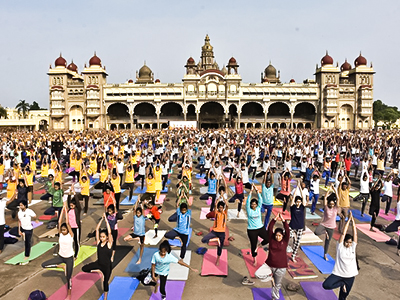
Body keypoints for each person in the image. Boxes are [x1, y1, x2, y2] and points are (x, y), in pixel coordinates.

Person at [323, 211, 358, 300]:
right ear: (344, 242)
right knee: (326, 285)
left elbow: (355, 234)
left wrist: (353, 222)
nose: (349, 244)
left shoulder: (353, 248)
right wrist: (348, 220)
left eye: (350, 242)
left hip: (350, 276)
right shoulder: (340, 248)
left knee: (343, 297)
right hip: (338, 274)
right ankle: (342, 284)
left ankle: (344, 285)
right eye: (347, 242)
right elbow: (343, 234)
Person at [42, 205, 74, 300]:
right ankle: (61, 266)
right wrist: (62, 211)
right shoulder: (60, 234)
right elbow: (59, 222)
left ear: (67, 230)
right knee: (44, 265)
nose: (63, 231)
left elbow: (67, 222)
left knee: (68, 277)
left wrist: (65, 211)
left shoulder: (70, 235)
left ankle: (69, 294)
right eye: (62, 230)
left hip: (69, 258)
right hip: (61, 257)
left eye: (65, 230)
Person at [82, 214, 113, 300]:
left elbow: (110, 232)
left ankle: (105, 298)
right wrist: (101, 219)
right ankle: (98, 271)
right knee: (84, 268)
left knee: (105, 282)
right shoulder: (99, 243)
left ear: (107, 237)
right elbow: (97, 230)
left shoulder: (109, 244)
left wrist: (106, 220)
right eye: (101, 237)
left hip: (107, 266)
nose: (101, 238)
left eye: (103, 237)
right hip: (99, 264)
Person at [266, 212, 290, 300]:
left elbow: (287, 230)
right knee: (259, 274)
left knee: (278, 284)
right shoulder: (271, 240)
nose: (277, 237)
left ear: (282, 236)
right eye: (276, 235)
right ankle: (271, 279)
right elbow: (270, 228)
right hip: (270, 265)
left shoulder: (285, 241)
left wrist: (284, 221)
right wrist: (274, 219)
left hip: (281, 267)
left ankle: (275, 297)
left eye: (279, 236)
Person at [246, 184, 269, 266]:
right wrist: (251, 192)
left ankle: (259, 245)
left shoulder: (259, 208)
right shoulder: (249, 210)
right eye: (252, 204)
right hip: (251, 230)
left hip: (260, 227)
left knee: (268, 238)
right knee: (253, 244)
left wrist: (257, 191)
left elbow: (261, 200)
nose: (253, 205)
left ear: (256, 204)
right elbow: (248, 200)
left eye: (255, 204)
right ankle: (254, 259)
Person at [314, 185, 338, 260]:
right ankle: (325, 232)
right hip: (324, 224)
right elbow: (325, 198)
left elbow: (338, 199)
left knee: (328, 241)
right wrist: (329, 190)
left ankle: (325, 254)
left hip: (331, 227)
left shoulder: (335, 208)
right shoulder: (326, 207)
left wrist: (335, 190)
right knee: (316, 232)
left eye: (332, 204)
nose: (331, 205)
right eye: (330, 204)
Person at [201, 198, 228, 266]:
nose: (221, 209)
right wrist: (218, 199)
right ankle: (216, 239)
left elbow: (227, 206)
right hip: (215, 231)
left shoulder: (225, 213)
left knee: (220, 247)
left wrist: (224, 198)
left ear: (223, 208)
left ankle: (218, 259)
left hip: (222, 232)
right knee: (203, 240)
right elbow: (215, 205)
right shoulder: (216, 213)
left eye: (222, 208)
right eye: (220, 208)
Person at [124, 195, 146, 264]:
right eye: (137, 213)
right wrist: (136, 202)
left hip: (142, 234)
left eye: (139, 213)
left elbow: (142, 210)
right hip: (135, 233)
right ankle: (137, 239)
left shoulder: (142, 217)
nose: (138, 214)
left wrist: (141, 203)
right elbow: (134, 209)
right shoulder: (135, 217)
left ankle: (140, 258)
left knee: (141, 247)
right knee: (125, 239)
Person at [289, 185, 307, 262]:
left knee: (297, 243)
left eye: (299, 202)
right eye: (297, 201)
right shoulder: (293, 207)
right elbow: (293, 198)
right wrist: (297, 188)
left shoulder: (302, 207)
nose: (298, 203)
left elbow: (303, 198)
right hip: (292, 226)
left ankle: (293, 255)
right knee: (289, 236)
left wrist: (300, 189)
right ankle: (293, 237)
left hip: (300, 227)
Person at [18, 200, 39, 265]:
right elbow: (19, 221)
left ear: (25, 205)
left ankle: (27, 255)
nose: (20, 206)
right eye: (20, 205)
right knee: (24, 241)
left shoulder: (29, 211)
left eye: (21, 205)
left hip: (28, 229)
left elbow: (34, 216)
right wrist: (19, 230)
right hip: (23, 228)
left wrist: (35, 220)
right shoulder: (19, 213)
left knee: (27, 242)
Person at [67, 192, 82, 259]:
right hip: (70, 228)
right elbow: (68, 202)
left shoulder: (77, 210)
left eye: (72, 204)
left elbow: (78, 203)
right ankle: (70, 252)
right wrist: (69, 194)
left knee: (76, 241)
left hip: (76, 227)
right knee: (70, 240)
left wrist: (74, 194)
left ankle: (76, 255)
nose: (71, 205)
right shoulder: (69, 210)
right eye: (70, 205)